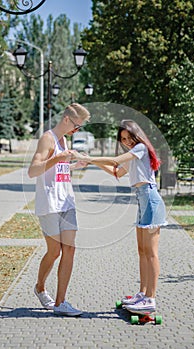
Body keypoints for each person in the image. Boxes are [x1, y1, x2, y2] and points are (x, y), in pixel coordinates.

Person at [73, 119, 167, 314]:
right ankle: (142, 294)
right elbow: (116, 171)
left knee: (151, 253)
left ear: (136, 135)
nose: (127, 142)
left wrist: (90, 160)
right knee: (142, 251)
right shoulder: (134, 157)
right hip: (142, 200)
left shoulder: (140, 148)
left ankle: (150, 298)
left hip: (150, 198)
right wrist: (91, 162)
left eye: (128, 137)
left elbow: (115, 161)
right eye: (123, 139)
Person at [28, 103, 90, 316]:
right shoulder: (48, 138)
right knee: (54, 252)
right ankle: (40, 287)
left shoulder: (64, 140)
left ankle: (60, 302)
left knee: (70, 249)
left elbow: (58, 168)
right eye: (76, 126)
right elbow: (33, 171)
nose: (77, 130)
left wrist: (73, 166)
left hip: (66, 202)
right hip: (50, 205)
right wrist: (57, 158)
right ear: (66, 120)